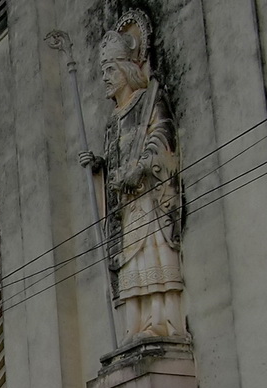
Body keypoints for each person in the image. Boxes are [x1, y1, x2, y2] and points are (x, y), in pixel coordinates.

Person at [79, 10, 184, 346]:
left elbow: (162, 137)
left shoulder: (149, 100)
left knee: (153, 259)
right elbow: (114, 161)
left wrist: (141, 167)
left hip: (149, 200)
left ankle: (162, 323)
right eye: (103, 72)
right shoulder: (114, 120)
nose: (105, 78)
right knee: (130, 267)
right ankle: (136, 327)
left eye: (110, 70)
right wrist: (98, 167)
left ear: (126, 69)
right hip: (125, 207)